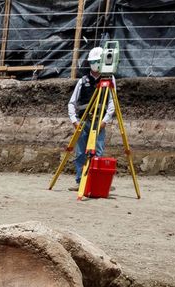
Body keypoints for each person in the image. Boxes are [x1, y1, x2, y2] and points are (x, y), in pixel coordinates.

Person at [67, 46, 110, 189]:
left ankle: (94, 183)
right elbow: (72, 102)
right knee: (80, 153)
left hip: (99, 123)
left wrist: (105, 120)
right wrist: (74, 120)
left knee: (97, 153)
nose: (94, 64)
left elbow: (112, 103)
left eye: (97, 61)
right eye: (92, 61)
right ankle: (80, 182)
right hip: (84, 122)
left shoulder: (108, 80)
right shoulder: (83, 80)